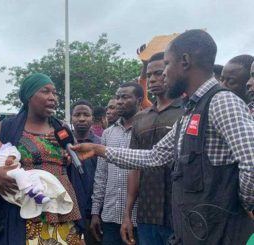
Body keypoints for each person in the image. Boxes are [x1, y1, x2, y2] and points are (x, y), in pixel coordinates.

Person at [71, 30, 254, 245]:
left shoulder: (221, 102)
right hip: (197, 229)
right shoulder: (191, 110)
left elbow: (251, 162)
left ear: (185, 61)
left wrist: (241, 204)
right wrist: (100, 150)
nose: (164, 73)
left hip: (222, 232)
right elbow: (155, 156)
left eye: (167, 64)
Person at [0, 72, 84, 245]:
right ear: (28, 96)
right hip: (26, 212)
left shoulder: (61, 128)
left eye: (54, 93)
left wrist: (69, 157)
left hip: (63, 209)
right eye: (45, 91)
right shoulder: (7, 127)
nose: (53, 98)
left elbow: (76, 159)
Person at [121, 52, 183, 245]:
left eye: (159, 72)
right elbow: (134, 167)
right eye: (149, 76)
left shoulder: (188, 111)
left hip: (181, 213)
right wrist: (127, 214)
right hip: (147, 213)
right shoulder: (141, 118)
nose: (154, 79)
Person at [91, 82, 143, 245]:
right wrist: (95, 212)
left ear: (139, 100)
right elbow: (101, 175)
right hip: (110, 215)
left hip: (139, 217)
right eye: (118, 97)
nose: (119, 101)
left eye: (125, 97)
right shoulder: (108, 133)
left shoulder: (146, 129)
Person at [68, 100, 101, 245]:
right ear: (71, 118)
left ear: (92, 119)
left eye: (86, 115)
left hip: (94, 211)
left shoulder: (101, 144)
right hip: (69, 210)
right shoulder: (63, 144)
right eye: (77, 115)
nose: (81, 118)